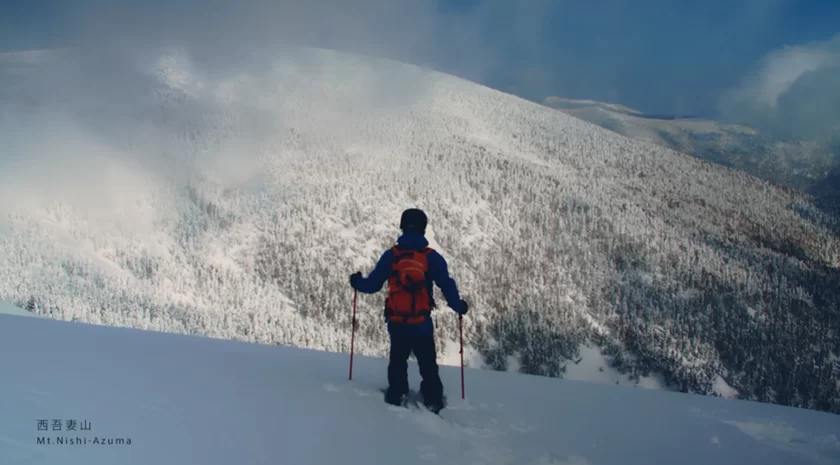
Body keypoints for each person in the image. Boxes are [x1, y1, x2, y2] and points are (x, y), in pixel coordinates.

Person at [349, 208, 468, 413]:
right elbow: (446, 284)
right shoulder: (430, 257)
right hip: (422, 324)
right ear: (423, 228)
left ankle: (397, 394)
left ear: (403, 226)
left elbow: (373, 284)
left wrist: (357, 282)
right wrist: (459, 306)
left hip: (397, 322)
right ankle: (433, 399)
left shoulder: (392, 256)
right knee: (428, 366)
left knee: (397, 362)